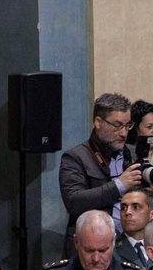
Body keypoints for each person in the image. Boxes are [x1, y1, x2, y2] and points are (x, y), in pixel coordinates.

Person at [59, 93, 138, 250]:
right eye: (117, 126)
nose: (123, 133)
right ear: (98, 122)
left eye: (127, 125)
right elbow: (74, 201)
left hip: (130, 245)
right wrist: (119, 186)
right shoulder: (76, 157)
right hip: (92, 247)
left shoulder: (134, 154)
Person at [115, 187, 153, 270]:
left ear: (152, 215)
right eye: (123, 208)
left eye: (136, 207)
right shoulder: (111, 249)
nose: (127, 212)